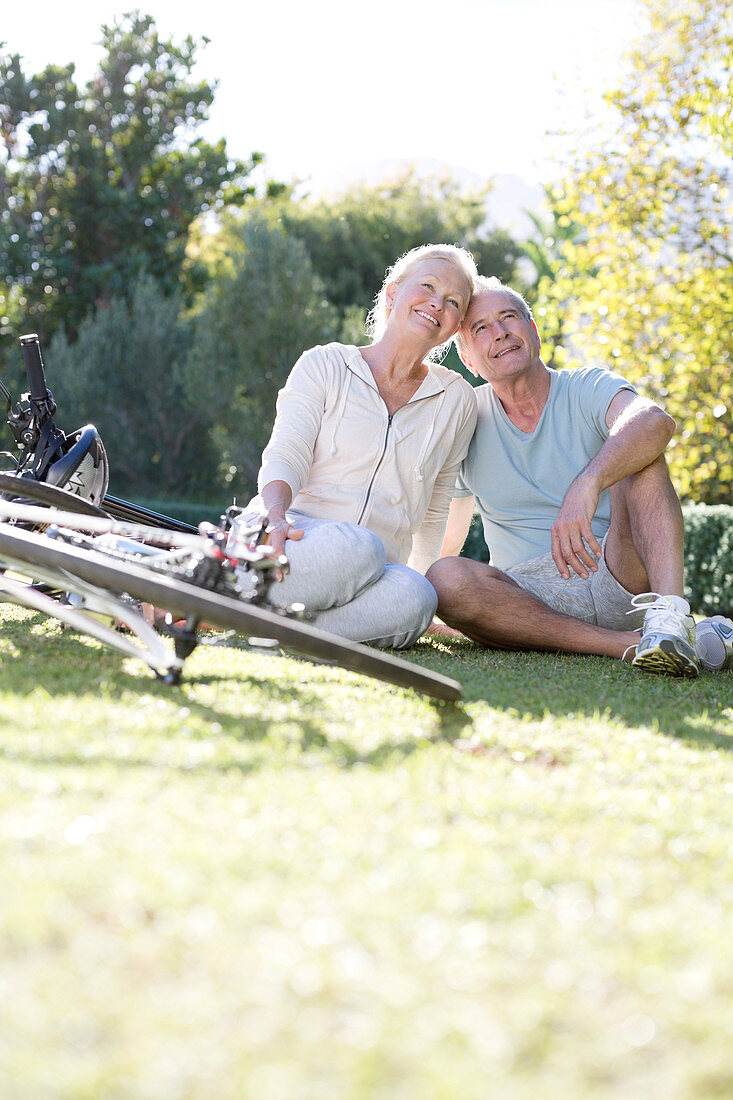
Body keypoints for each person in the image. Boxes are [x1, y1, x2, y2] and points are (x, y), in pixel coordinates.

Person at [425, 275, 733, 677]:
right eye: (481, 328)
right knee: (445, 577)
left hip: (618, 569)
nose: (500, 333)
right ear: (468, 359)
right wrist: (426, 599)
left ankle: (667, 619)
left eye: (509, 318)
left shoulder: (586, 385)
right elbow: (447, 537)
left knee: (641, 447)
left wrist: (586, 484)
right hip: (527, 597)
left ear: (533, 331)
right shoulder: (464, 415)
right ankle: (635, 644)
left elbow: (655, 421)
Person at [229, 244, 479, 649]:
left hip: (374, 571)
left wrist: (419, 574)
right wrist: (274, 517)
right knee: (361, 547)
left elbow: (435, 504)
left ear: (454, 327)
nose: (437, 303)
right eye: (428, 286)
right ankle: (231, 595)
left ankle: (265, 632)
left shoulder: (457, 400)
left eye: (453, 301)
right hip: (293, 539)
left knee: (416, 596)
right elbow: (286, 452)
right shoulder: (325, 364)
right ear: (393, 293)